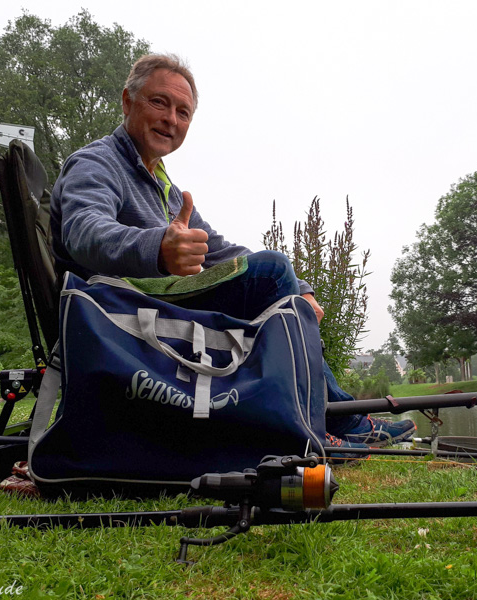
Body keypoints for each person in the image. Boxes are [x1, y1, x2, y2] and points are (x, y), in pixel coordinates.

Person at [50, 53, 415, 455]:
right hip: (119, 314)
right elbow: (84, 233)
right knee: (271, 271)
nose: (171, 119)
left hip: (153, 308)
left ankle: (327, 416)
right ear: (127, 102)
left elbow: (220, 250)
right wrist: (159, 247)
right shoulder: (96, 162)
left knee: (274, 272)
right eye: (159, 102)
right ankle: (341, 419)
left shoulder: (165, 187)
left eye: (183, 111)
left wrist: (301, 289)